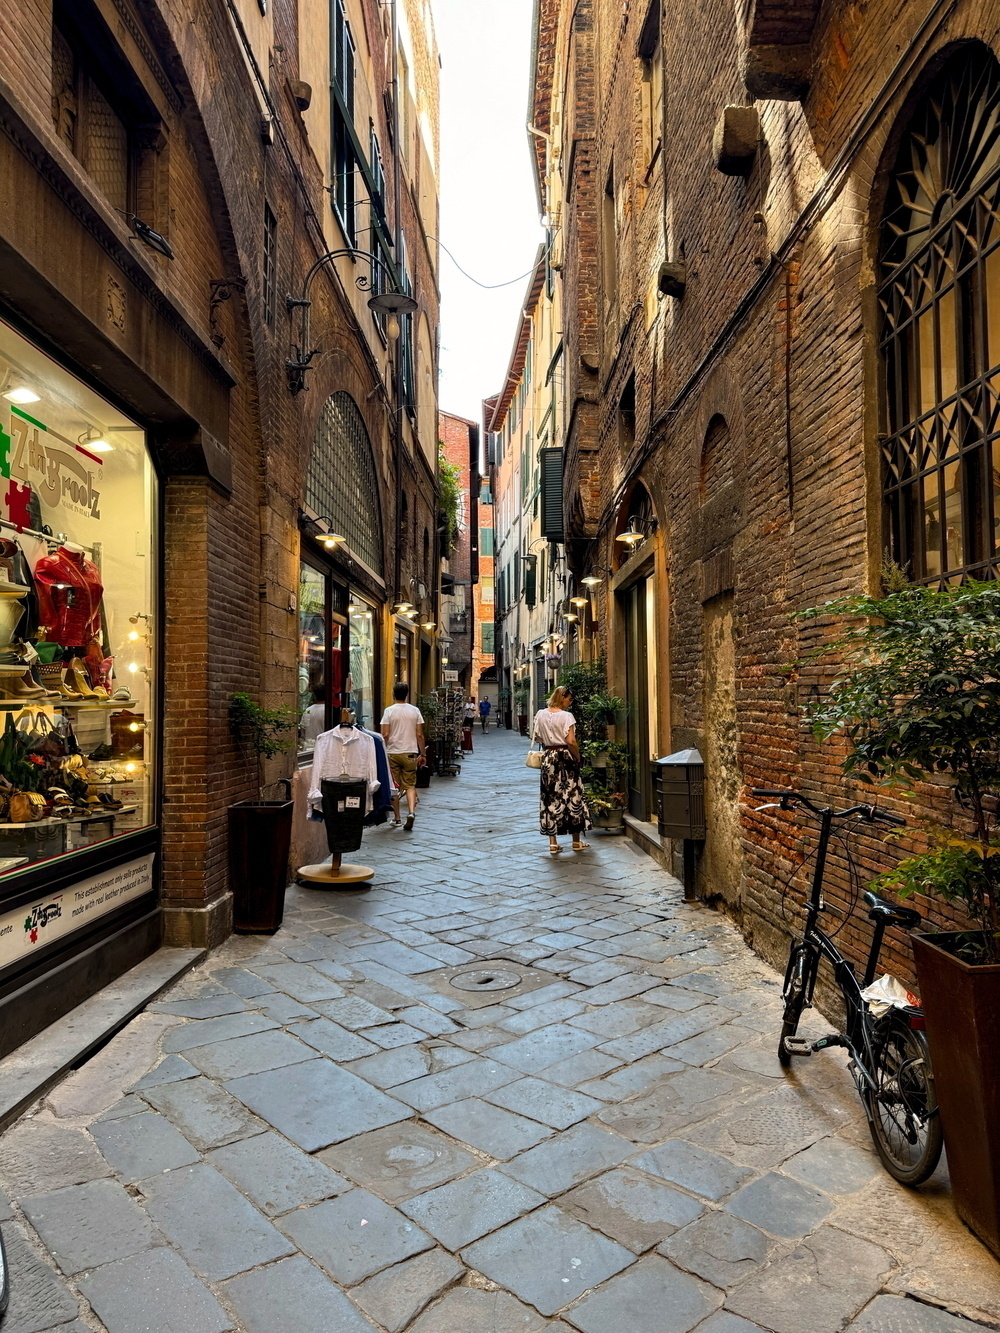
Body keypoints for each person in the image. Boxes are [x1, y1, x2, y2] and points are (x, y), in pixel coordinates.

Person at [532, 685, 591, 854]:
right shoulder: (567, 716)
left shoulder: (540, 714)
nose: (570, 703)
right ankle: (576, 841)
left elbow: (537, 737)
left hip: (549, 757)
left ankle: (553, 843)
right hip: (565, 758)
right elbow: (570, 741)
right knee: (573, 797)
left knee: (550, 797)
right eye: (569, 699)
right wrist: (577, 757)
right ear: (563, 697)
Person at [380, 682, 426, 831]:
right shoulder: (415, 711)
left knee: (394, 786)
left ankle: (397, 818)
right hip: (410, 752)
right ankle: (411, 813)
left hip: (393, 752)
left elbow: (385, 734)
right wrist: (423, 753)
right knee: (410, 785)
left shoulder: (389, 711)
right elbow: (419, 734)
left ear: (394, 694)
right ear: (407, 694)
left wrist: (381, 750)